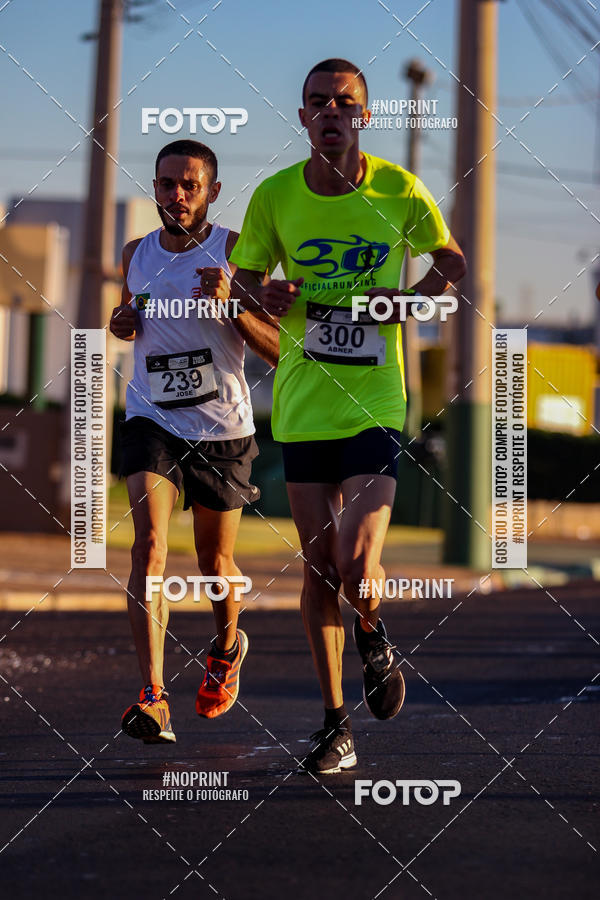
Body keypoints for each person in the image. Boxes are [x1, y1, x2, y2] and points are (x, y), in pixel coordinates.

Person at [230, 59, 466, 773]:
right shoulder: (274, 196)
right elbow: (243, 277)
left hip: (375, 402)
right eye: (317, 103)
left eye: (345, 102)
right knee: (316, 568)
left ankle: (374, 630)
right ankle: (336, 723)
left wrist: (411, 298)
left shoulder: (399, 189)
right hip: (303, 405)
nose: (330, 112)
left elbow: (451, 260)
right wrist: (261, 294)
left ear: (364, 115)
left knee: (357, 560)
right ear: (302, 118)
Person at [110, 139, 279, 744]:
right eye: (165, 184)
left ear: (211, 190)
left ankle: (228, 644)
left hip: (222, 429)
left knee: (214, 564)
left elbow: (277, 346)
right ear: (154, 188)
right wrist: (119, 320)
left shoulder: (236, 250)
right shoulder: (134, 252)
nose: (176, 195)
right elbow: (131, 318)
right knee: (149, 547)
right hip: (151, 420)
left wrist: (233, 301)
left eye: (189, 185)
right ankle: (154, 696)